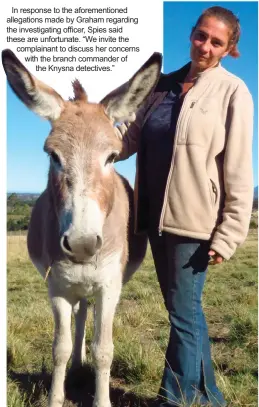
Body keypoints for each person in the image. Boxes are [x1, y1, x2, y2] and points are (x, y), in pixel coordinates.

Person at [116, 5, 254, 407]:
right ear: (191, 34)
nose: (205, 47)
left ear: (229, 49)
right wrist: (98, 143)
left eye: (216, 42)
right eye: (201, 36)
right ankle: (209, 397)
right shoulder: (162, 84)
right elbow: (129, 136)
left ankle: (174, 400)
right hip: (152, 217)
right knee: (186, 314)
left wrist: (228, 233)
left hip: (194, 222)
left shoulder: (233, 92)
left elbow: (239, 169)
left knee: (183, 315)